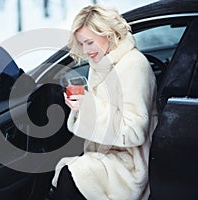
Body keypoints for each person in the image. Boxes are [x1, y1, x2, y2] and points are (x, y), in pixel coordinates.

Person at [51, 4, 158, 200]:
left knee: (70, 177)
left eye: (89, 42)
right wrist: (80, 108)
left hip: (129, 164)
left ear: (108, 34)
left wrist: (88, 107)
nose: (86, 50)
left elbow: (134, 132)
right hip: (104, 155)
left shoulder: (133, 65)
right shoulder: (101, 62)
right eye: (82, 44)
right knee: (63, 177)